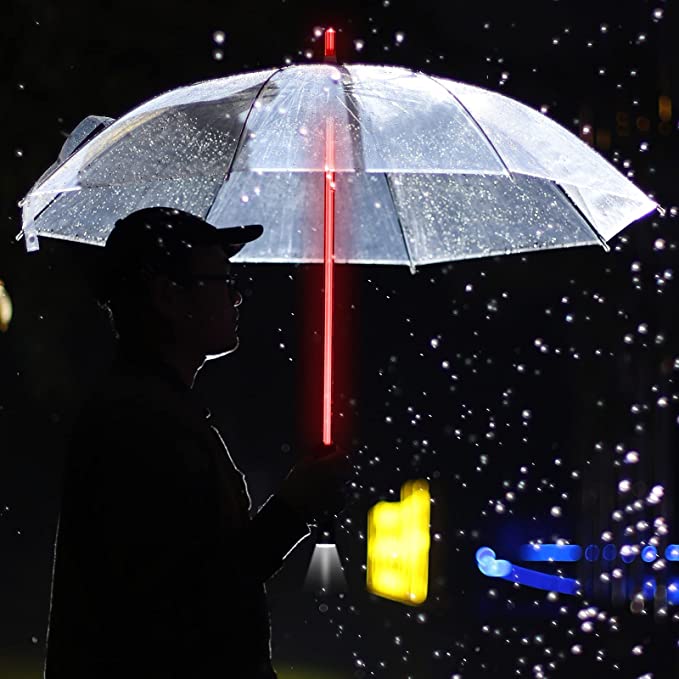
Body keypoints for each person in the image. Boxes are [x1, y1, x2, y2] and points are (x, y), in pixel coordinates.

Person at [44, 207, 351, 679]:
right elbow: (190, 598)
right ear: (168, 295)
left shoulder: (151, 408)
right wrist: (292, 508)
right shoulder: (140, 422)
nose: (237, 296)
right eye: (220, 281)